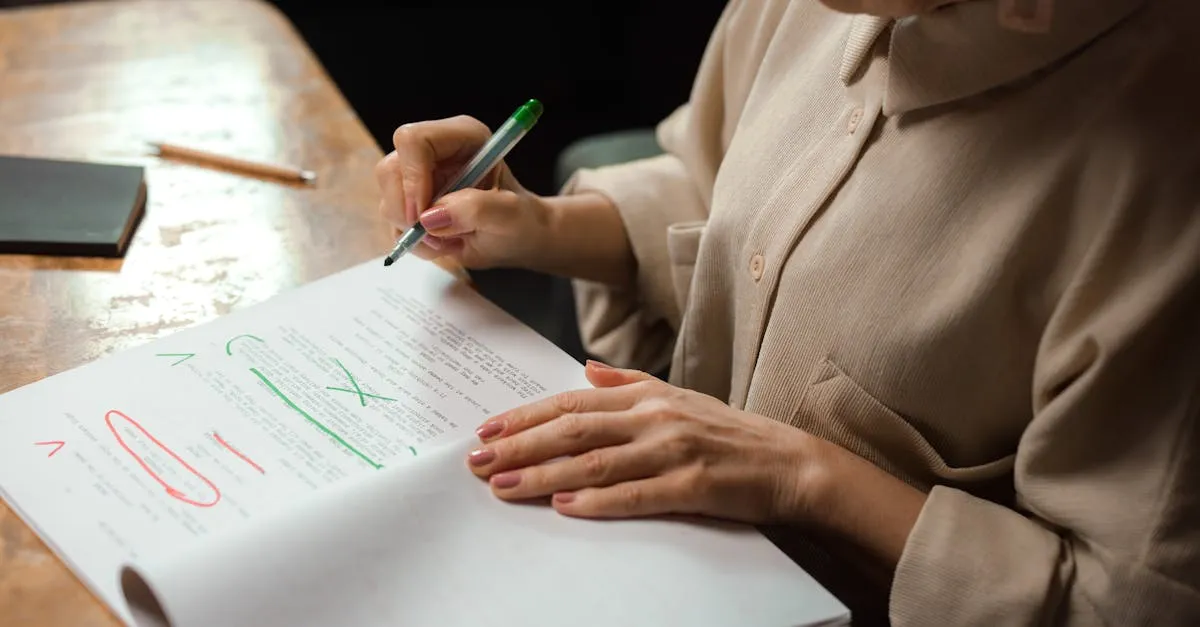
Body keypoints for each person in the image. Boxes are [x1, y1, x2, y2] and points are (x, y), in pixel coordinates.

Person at [374, 0, 1200, 624]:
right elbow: (718, 185)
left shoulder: (1164, 164)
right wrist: (548, 226)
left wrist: (800, 477)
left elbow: (1122, 601)